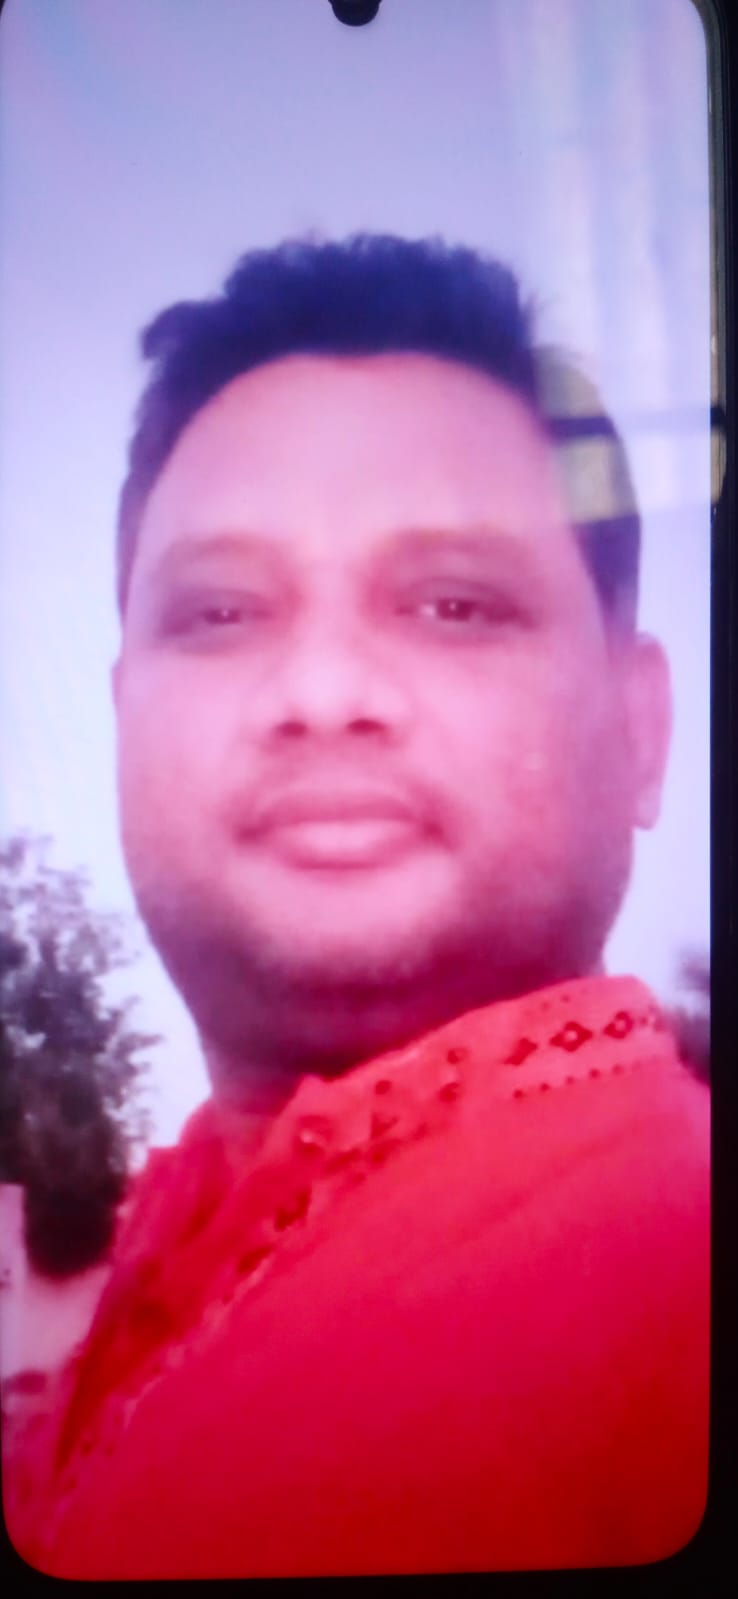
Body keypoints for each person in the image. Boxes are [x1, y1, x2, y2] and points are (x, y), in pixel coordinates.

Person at [4, 236, 709, 1578]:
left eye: (454, 604)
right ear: (121, 716)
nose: (321, 692)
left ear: (639, 728)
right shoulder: (157, 1259)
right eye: (219, 614)